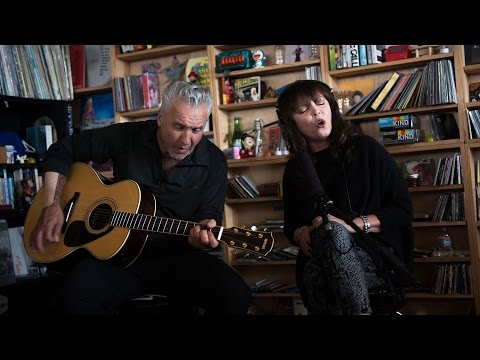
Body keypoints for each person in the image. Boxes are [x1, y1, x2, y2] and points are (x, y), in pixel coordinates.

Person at [28, 80, 252, 315]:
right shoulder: (129, 136)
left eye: (196, 130)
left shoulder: (214, 161)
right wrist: (52, 205)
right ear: (160, 117)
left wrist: (202, 234)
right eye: (178, 127)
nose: (186, 140)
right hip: (117, 259)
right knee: (71, 296)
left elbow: (209, 214)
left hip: (178, 259)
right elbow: (62, 150)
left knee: (236, 296)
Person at [276, 80, 413, 315]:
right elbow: (291, 228)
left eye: (320, 103)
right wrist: (302, 233)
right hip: (318, 260)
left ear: (331, 107)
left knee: (333, 232)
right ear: (291, 122)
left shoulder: (367, 149)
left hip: (375, 255)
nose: (317, 111)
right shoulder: (296, 169)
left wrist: (349, 226)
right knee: (320, 257)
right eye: (303, 110)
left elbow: (401, 211)